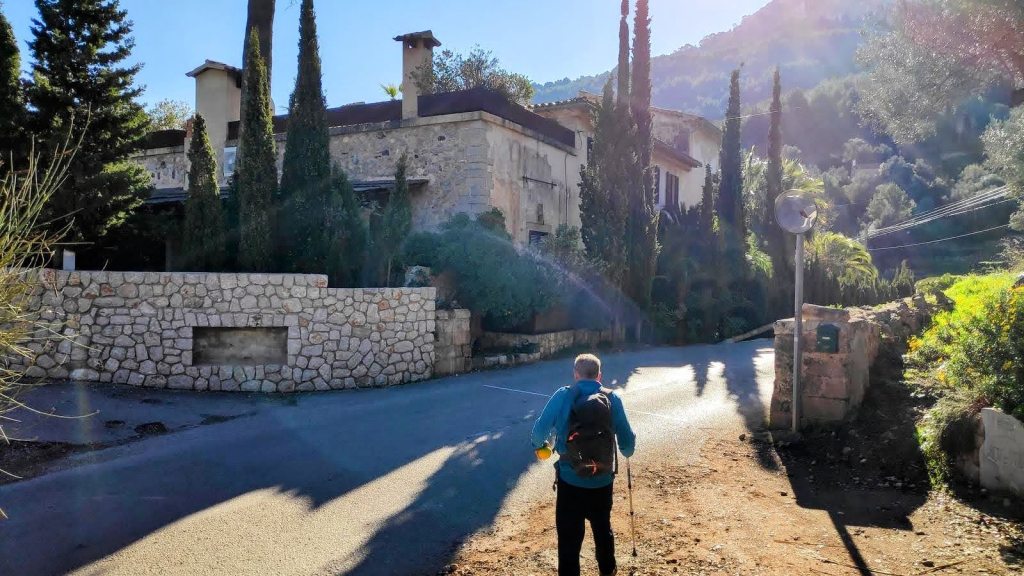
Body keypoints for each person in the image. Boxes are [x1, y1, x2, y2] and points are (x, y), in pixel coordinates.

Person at [531, 353, 636, 576]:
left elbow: (539, 432)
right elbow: (627, 443)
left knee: (569, 540)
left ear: (575, 374)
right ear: (599, 375)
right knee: (602, 531)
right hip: (602, 482)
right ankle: (608, 570)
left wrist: (541, 446)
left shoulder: (563, 396)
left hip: (571, 482)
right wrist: (627, 451)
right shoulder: (612, 399)